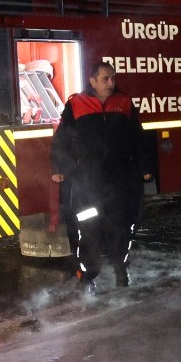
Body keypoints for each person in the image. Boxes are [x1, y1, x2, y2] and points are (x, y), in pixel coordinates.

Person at [50, 61, 152, 290]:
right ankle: (88, 275)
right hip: (88, 181)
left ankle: (120, 270)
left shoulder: (124, 102)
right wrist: (58, 168)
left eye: (113, 78)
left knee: (121, 226)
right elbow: (62, 139)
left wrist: (145, 167)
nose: (111, 83)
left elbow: (138, 137)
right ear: (92, 80)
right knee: (88, 228)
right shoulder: (76, 103)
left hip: (119, 179)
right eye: (106, 78)